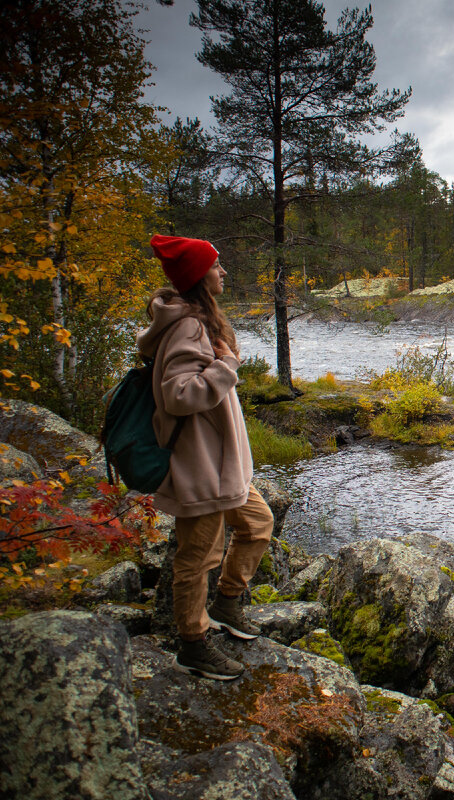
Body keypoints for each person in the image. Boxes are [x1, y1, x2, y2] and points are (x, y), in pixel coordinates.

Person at [136, 234, 274, 681]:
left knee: (257, 524)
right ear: (199, 276)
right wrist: (225, 367)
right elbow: (177, 395)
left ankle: (228, 606)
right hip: (201, 468)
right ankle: (193, 645)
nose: (224, 272)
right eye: (217, 266)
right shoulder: (188, 326)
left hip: (222, 467)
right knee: (197, 558)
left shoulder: (200, 321)